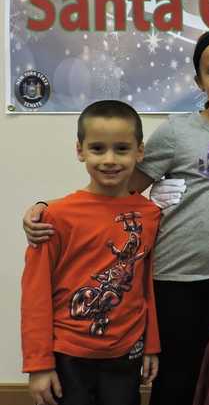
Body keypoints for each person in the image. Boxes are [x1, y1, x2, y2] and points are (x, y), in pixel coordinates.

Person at [22, 30, 209, 405]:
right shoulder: (176, 133)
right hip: (174, 280)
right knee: (176, 378)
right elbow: (118, 189)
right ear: (200, 82)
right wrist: (45, 209)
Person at [21, 100, 161, 405]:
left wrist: (150, 344)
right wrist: (38, 363)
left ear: (140, 151)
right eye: (98, 148)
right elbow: (35, 293)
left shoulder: (150, 214)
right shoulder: (55, 217)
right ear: (80, 150)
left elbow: (145, 284)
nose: (109, 159)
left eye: (122, 149)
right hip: (69, 353)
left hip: (126, 351)